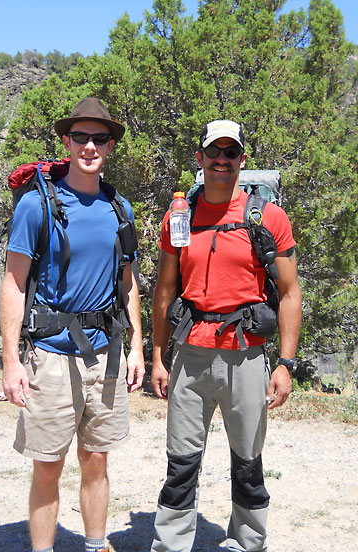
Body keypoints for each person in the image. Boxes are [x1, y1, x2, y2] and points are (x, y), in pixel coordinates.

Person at [0, 97, 145, 552]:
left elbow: (128, 284)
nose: (89, 146)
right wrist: (10, 360)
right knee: (48, 464)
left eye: (99, 138)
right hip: (51, 354)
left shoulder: (120, 209)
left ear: (111, 146)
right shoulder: (35, 205)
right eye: (80, 137)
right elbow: (14, 283)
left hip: (104, 355)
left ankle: (94, 543)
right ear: (66, 141)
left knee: (97, 458)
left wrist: (137, 348)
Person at [150, 119, 302, 552]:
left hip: (246, 356)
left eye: (230, 153)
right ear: (199, 159)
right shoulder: (178, 218)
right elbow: (165, 288)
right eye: (213, 152)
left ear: (241, 160)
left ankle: (247, 543)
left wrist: (286, 365)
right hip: (190, 356)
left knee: (248, 463)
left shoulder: (267, 217)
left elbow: (290, 293)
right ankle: (171, 545)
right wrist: (158, 357)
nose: (222, 160)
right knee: (180, 463)